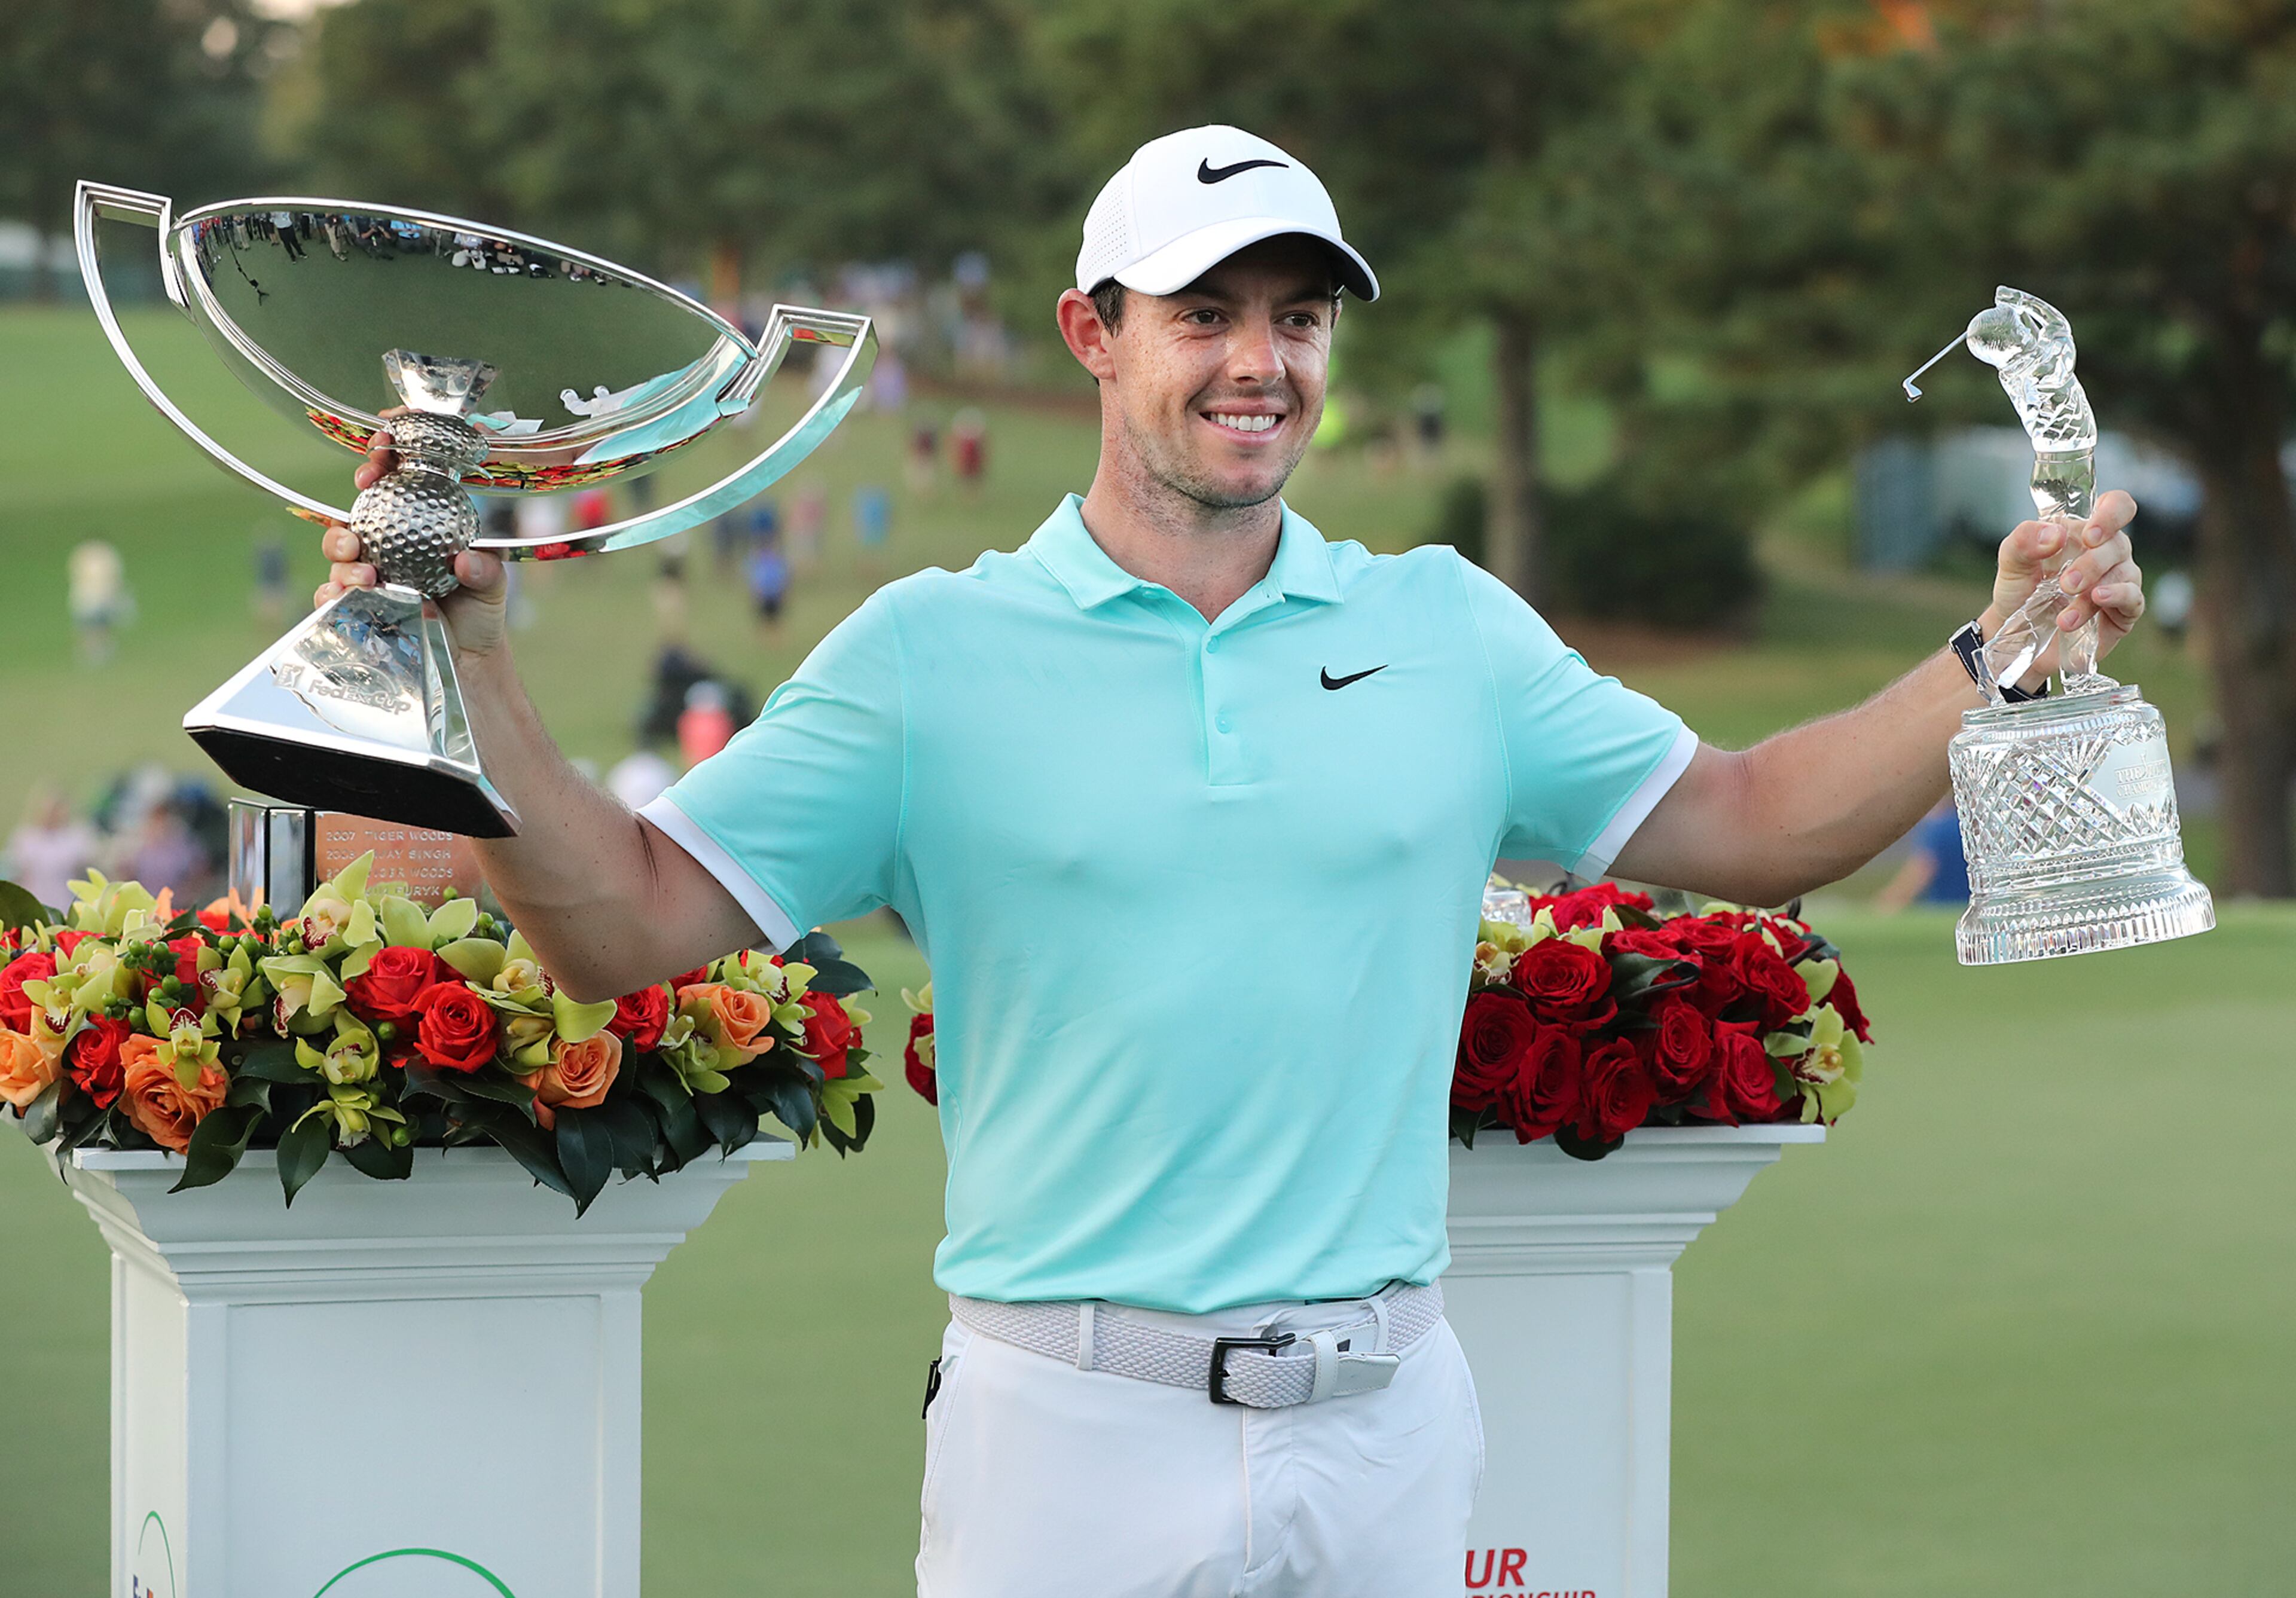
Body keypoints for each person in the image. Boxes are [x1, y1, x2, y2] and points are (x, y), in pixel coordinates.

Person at [313, 124, 2145, 1598]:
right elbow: (624, 926)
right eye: (1204, 312)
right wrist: (473, 661)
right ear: (1090, 333)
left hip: (1383, 1426)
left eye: (1297, 316)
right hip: (1067, 1434)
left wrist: (1992, 660)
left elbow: (1755, 823)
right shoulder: (925, 656)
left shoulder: (1445, 630)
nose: (1260, 361)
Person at [4, 786, 99, 909]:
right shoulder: (26, 839)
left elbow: (87, 872)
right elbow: (15, 873)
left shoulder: (76, 838)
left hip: (67, 903)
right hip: (35, 902)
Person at [1876, 796, 1971, 909]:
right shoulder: (1974, 829)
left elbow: (1922, 870)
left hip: (1941, 909)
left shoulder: (1939, 830)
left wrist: (1886, 903)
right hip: (1971, 907)